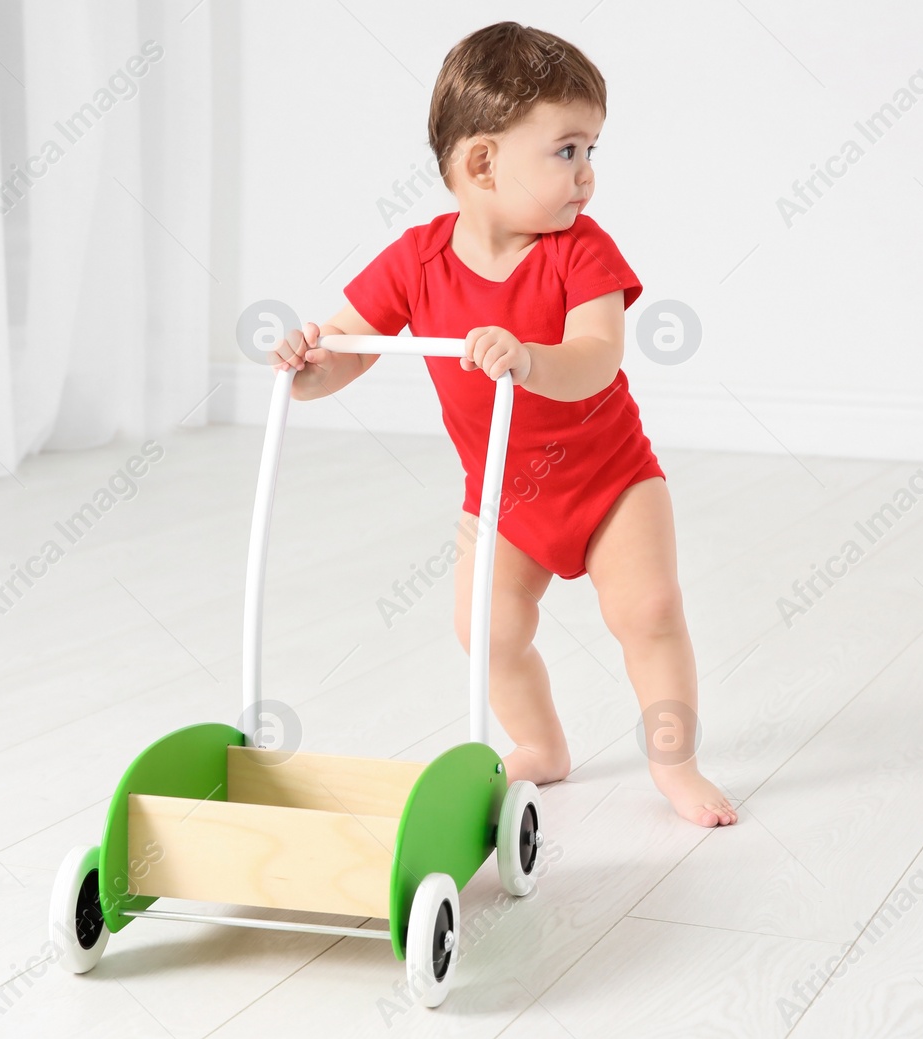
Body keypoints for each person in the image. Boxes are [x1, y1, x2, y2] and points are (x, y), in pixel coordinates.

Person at [269, 22, 736, 828]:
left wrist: (527, 359)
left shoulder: (579, 252)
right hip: (502, 499)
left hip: (611, 481)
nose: (588, 176)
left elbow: (595, 355)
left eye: (592, 151)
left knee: (649, 610)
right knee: (484, 629)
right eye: (567, 151)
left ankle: (676, 762)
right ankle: (542, 743)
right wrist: (310, 365)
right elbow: (350, 348)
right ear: (483, 162)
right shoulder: (416, 261)